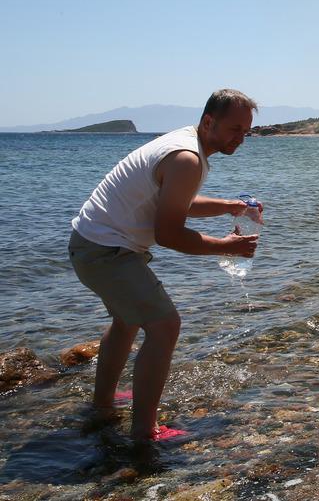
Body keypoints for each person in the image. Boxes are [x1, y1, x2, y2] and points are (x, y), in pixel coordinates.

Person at [68, 89, 261, 442]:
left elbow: (177, 202)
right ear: (208, 121)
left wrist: (229, 206)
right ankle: (145, 431)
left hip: (93, 244)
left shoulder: (185, 146)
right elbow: (169, 233)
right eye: (235, 129)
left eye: (246, 131)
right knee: (165, 325)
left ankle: (103, 404)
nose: (241, 138)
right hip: (106, 250)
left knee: (127, 320)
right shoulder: (187, 158)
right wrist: (226, 247)